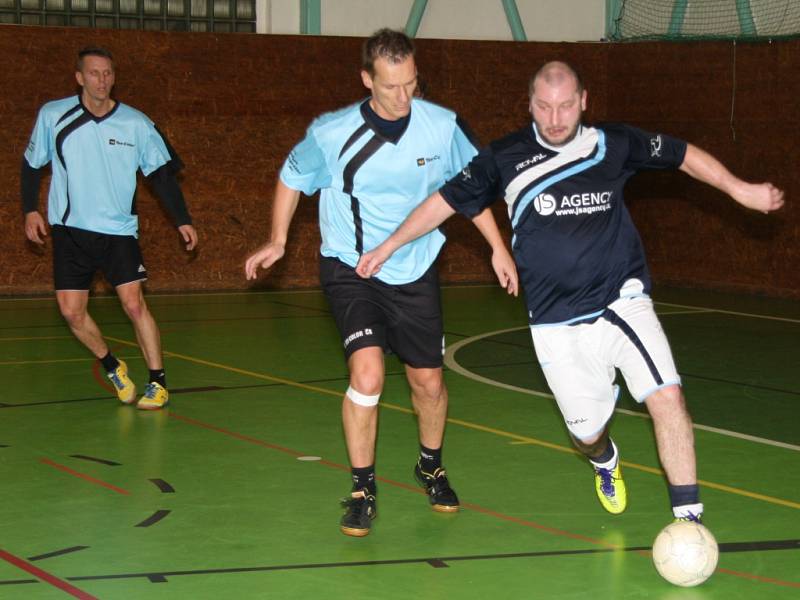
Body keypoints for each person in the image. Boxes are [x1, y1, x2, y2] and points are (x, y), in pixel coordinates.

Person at [356, 61, 785, 523]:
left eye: (565, 106)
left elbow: (681, 155)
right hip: (555, 321)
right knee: (587, 434)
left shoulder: (612, 144)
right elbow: (442, 203)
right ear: (530, 105)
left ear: (584, 101)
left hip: (620, 301)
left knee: (668, 397)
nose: (555, 118)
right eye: (544, 106)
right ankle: (604, 459)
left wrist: (738, 189)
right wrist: (388, 246)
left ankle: (690, 520)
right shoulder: (505, 157)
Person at [245, 29, 517, 537]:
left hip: (414, 267)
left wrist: (497, 247)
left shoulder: (442, 126)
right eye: (391, 86)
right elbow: (291, 175)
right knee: (367, 376)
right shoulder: (332, 134)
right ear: (367, 79)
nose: (403, 97)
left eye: (412, 84)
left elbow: (469, 188)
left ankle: (430, 465)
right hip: (353, 267)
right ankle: (362, 487)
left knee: (428, 384)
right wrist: (278, 240)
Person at [22, 46, 198, 411]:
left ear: (113, 78)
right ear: (79, 78)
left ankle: (157, 382)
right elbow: (31, 164)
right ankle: (112, 366)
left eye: (108, 74)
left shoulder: (136, 123)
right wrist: (29, 210)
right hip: (69, 230)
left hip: (118, 231)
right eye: (94, 73)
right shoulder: (54, 116)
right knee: (71, 312)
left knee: (134, 305)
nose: (102, 80)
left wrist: (182, 219)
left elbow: (162, 177)